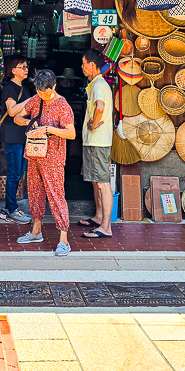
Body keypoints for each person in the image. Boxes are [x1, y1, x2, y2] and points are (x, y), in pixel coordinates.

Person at [16, 69, 77, 256]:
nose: (42, 94)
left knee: (56, 195)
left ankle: (64, 240)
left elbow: (71, 133)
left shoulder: (62, 105)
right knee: (35, 193)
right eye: (39, 91)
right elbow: (17, 117)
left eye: (45, 91)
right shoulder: (37, 100)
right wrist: (30, 124)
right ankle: (36, 231)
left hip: (53, 159)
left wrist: (49, 129)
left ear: (54, 87)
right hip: (34, 155)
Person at [78, 48, 114, 239]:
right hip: (96, 141)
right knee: (96, 181)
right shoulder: (97, 84)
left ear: (92, 65)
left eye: (84, 64)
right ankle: (99, 217)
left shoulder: (99, 84)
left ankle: (106, 227)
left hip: (98, 141)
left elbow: (99, 107)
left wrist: (92, 124)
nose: (82, 67)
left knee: (102, 183)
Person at [0, 55, 33, 224]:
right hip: (12, 135)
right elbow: (11, 111)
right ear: (13, 70)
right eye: (23, 67)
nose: (26, 70)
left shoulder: (24, 87)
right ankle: (12, 209)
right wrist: (31, 100)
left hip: (22, 134)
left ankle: (7, 209)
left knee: (19, 173)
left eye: (27, 67)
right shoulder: (9, 88)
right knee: (14, 173)